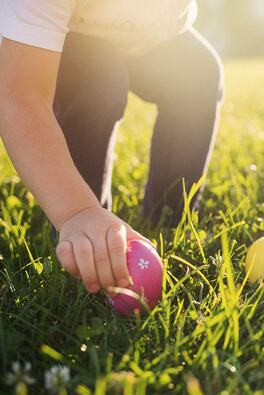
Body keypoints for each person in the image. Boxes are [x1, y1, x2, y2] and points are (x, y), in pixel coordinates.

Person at [0, 0, 224, 297]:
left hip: (148, 34)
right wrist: (77, 211)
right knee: (97, 80)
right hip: (56, 38)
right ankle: (86, 236)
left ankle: (168, 217)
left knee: (196, 74)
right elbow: (21, 96)